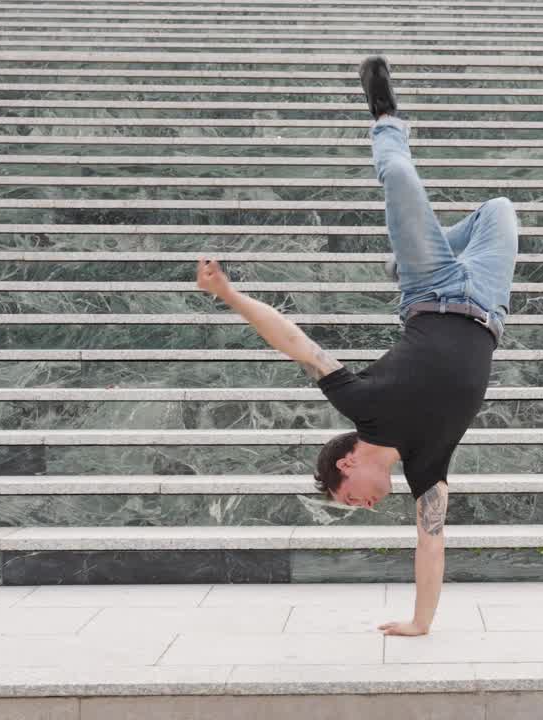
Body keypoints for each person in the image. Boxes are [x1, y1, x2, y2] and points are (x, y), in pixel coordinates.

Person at [196, 56, 519, 636]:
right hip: (488, 300)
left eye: (350, 498)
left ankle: (385, 118)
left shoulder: (362, 405)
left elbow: (294, 342)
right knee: (500, 209)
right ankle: (401, 249)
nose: (362, 506)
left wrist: (230, 294)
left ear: (347, 464)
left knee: (398, 178)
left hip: (430, 285)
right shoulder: (428, 468)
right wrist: (420, 624)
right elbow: (431, 545)